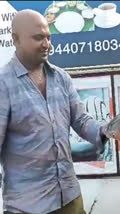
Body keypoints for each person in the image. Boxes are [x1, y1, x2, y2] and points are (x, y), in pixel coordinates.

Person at [0, 10, 107, 214]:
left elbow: (81, 120)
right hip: (27, 206)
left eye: (48, 37)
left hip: (70, 199)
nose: (46, 44)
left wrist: (107, 131)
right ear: (16, 39)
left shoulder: (61, 78)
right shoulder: (3, 84)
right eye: (38, 37)